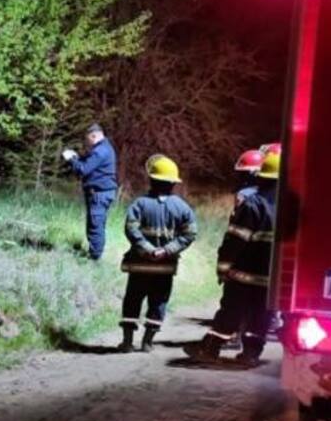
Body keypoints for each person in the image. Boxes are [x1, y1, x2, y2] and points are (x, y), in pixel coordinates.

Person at [183, 147, 280, 364]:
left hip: (243, 273)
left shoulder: (253, 204)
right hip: (272, 279)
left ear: (261, 177)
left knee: (231, 311)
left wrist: (223, 267)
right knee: (261, 317)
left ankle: (210, 349)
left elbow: (235, 240)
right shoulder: (289, 207)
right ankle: (251, 355)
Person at [118, 155, 198, 353]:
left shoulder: (139, 204)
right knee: (159, 302)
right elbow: (190, 234)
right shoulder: (182, 207)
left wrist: (147, 249)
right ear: (173, 183)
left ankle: (127, 342)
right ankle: (148, 342)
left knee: (133, 300)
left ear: (151, 180)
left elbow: (131, 229)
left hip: (140, 265)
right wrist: (167, 250)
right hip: (165, 267)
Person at [62, 123, 118, 260]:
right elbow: (89, 163)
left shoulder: (100, 151)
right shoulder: (104, 148)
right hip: (103, 193)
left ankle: (94, 259)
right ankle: (95, 254)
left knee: (95, 225)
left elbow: (83, 170)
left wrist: (72, 159)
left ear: (94, 136)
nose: (87, 142)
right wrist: (78, 158)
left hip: (99, 194)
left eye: (88, 139)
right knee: (97, 224)